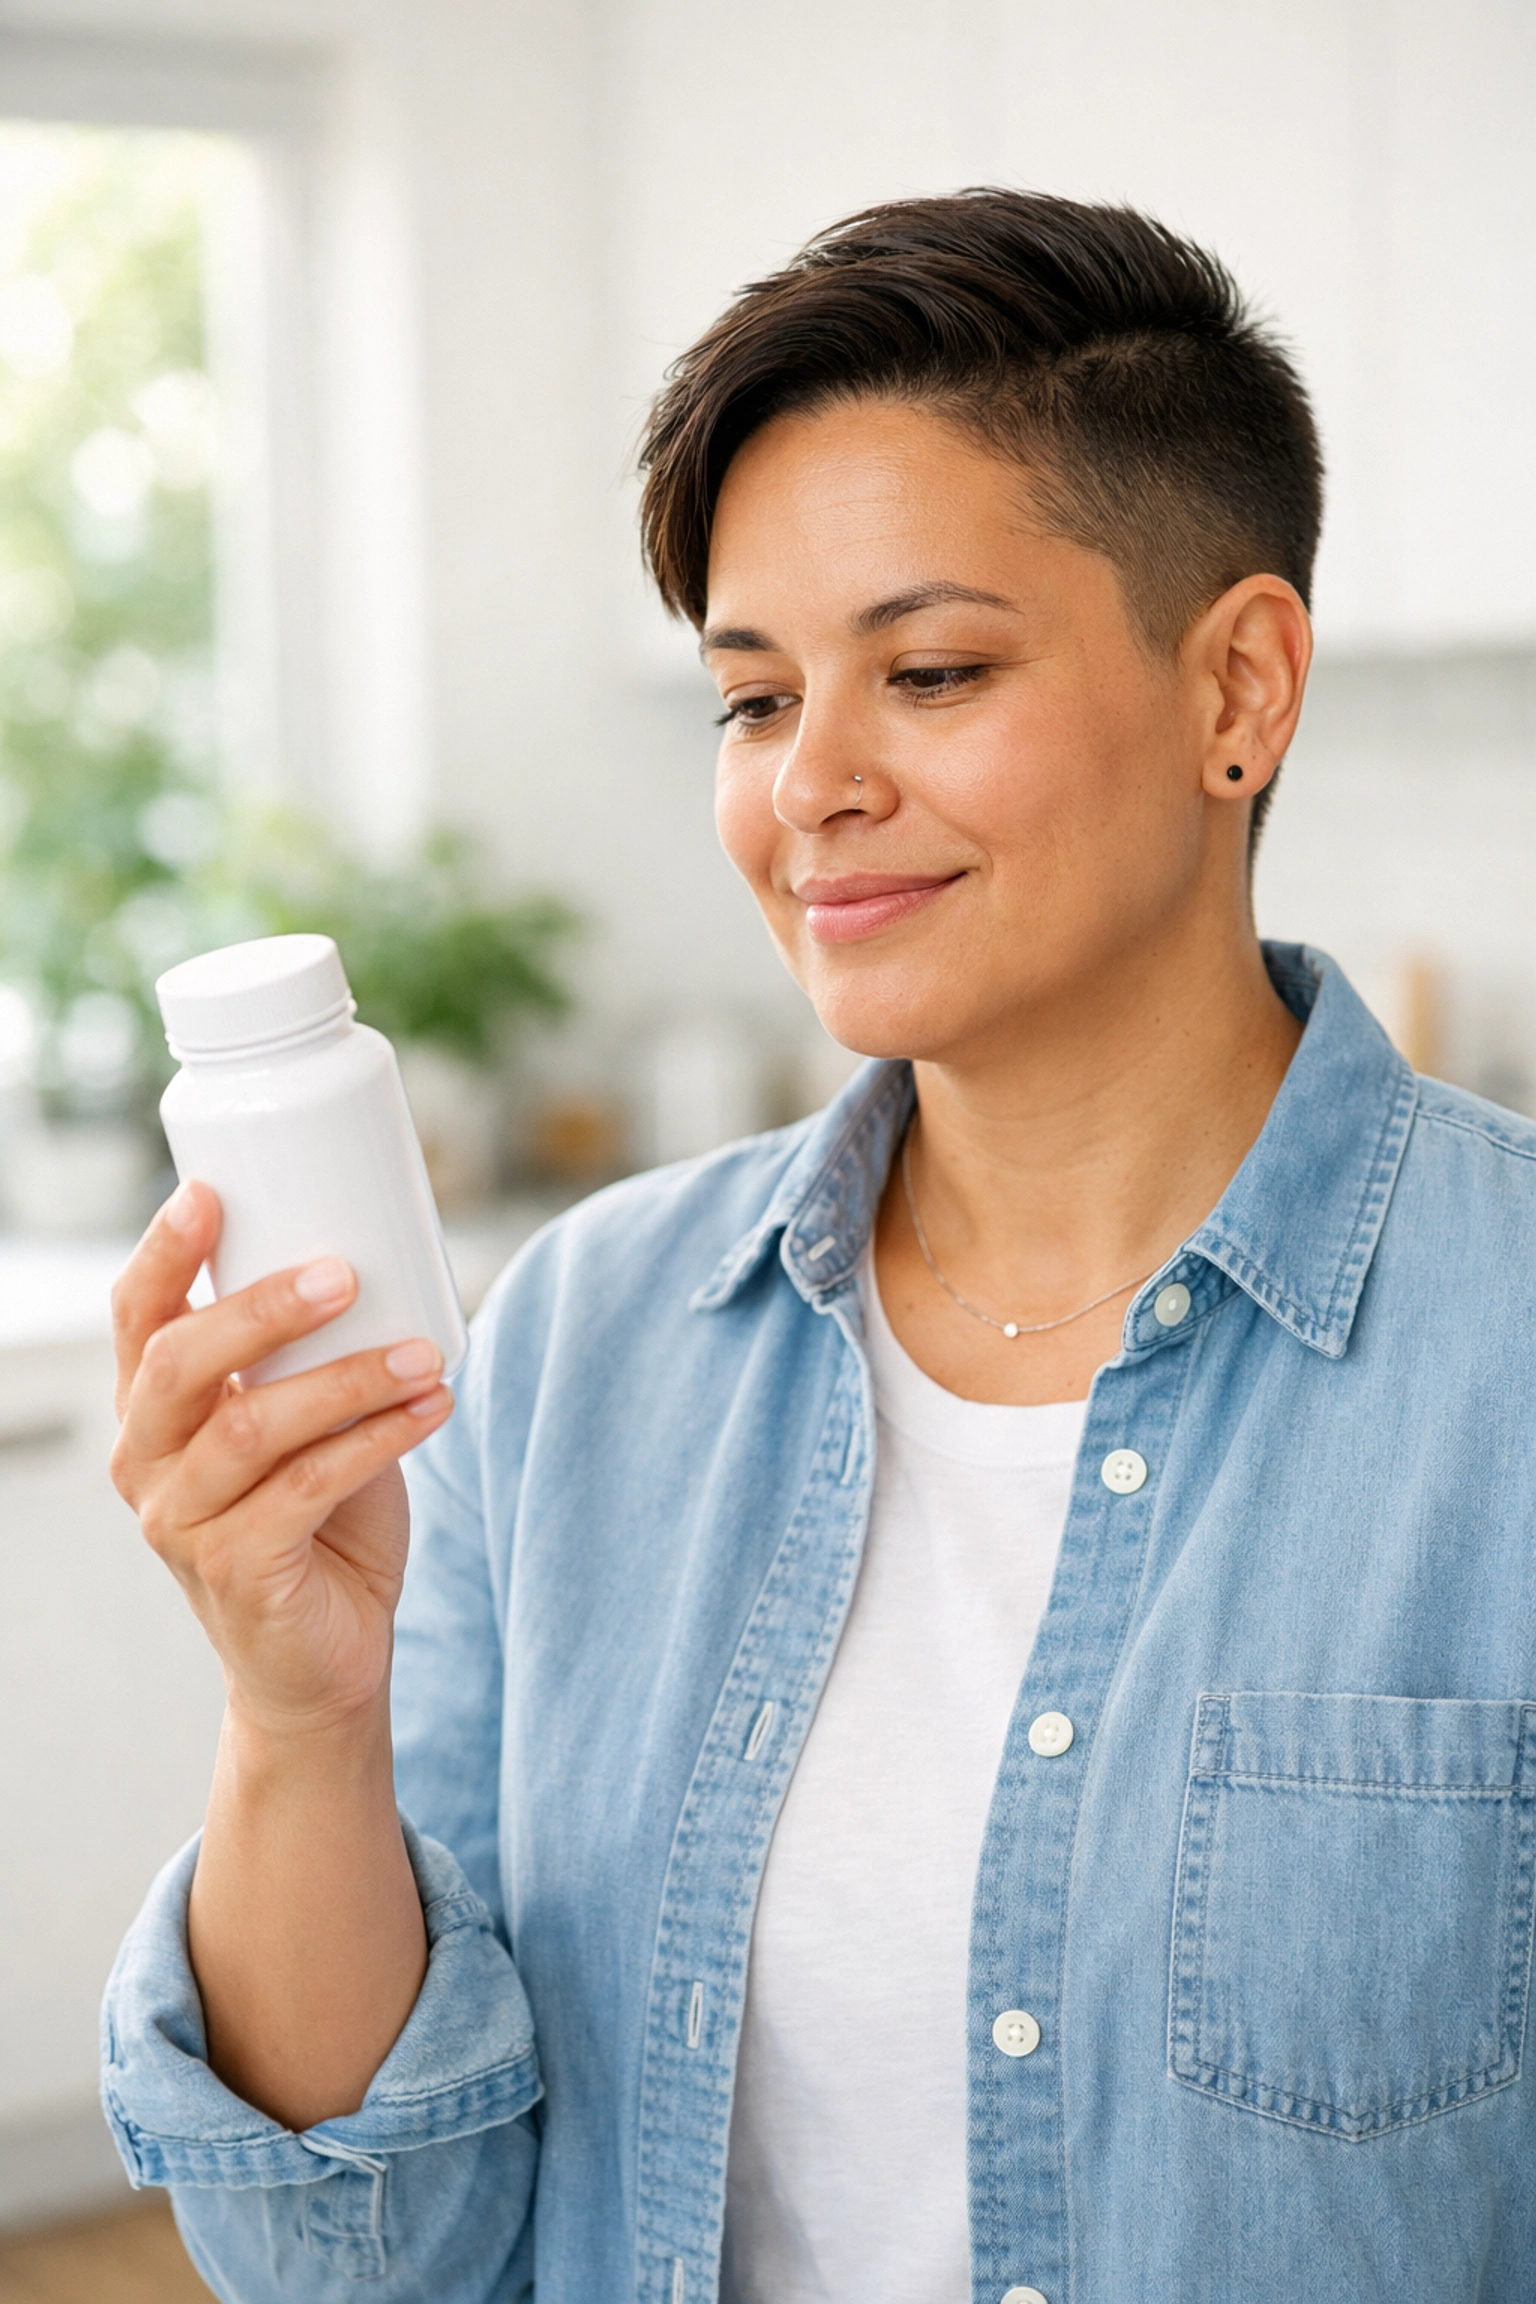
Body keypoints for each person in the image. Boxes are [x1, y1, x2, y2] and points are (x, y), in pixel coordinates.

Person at [103, 191, 1536, 2304]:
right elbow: (369, 2258)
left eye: (931, 671)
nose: (810, 789)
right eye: (753, 702)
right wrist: (294, 1719)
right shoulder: (586, 1336)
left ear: (1239, 684)